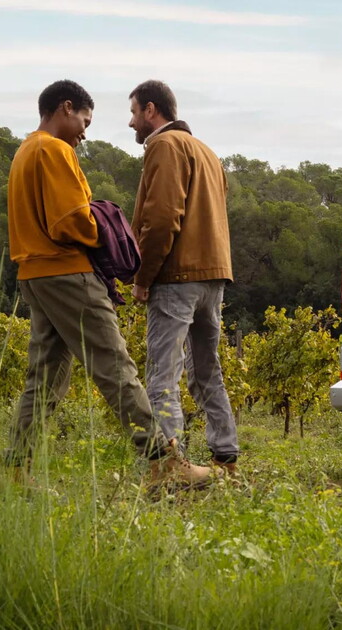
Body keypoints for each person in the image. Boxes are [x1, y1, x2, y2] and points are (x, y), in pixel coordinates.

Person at [5, 79, 210, 489]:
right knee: (115, 367)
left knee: (44, 379)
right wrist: (106, 229)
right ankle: (162, 460)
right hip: (68, 274)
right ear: (66, 107)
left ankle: (16, 471)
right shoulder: (54, 150)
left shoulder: (24, 150)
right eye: (85, 121)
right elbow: (69, 221)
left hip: (35, 275)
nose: (84, 133)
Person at [126, 79, 240, 475]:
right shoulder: (207, 152)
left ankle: (169, 465)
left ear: (151, 110)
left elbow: (161, 219)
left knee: (163, 374)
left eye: (134, 112)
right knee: (207, 371)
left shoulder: (163, 145)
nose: (131, 122)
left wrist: (143, 276)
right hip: (214, 274)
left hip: (177, 274)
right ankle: (226, 457)